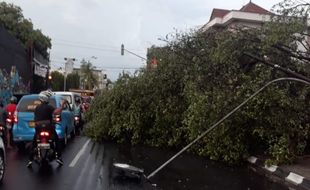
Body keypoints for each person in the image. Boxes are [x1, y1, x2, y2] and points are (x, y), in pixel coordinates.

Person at [27, 90, 64, 167]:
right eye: (48, 98)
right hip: (48, 127)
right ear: (45, 98)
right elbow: (56, 112)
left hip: (38, 128)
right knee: (57, 140)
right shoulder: (48, 107)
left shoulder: (37, 108)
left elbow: (35, 118)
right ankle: (59, 157)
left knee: (34, 142)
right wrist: (62, 106)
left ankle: (30, 160)